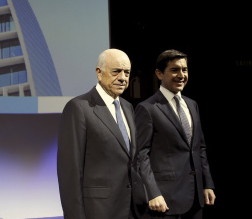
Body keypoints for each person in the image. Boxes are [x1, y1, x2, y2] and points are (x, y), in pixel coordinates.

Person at [57, 48, 147, 219]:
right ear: (99, 73)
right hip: (99, 211)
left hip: (133, 209)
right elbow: (70, 172)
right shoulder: (79, 108)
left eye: (127, 72)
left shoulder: (128, 108)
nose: (123, 78)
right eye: (116, 72)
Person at [135, 49, 215, 219]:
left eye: (184, 70)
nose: (181, 75)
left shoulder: (192, 105)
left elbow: (199, 148)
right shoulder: (147, 108)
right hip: (165, 200)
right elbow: (141, 155)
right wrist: (152, 192)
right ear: (159, 73)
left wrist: (207, 183)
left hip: (196, 199)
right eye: (174, 70)